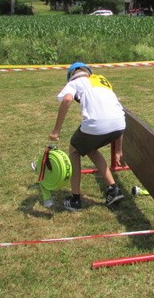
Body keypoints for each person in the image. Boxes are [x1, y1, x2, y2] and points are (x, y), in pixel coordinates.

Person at [48, 62, 126, 211]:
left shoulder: (75, 82)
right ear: (88, 72)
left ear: (71, 76)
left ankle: (75, 200)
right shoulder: (102, 80)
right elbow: (115, 111)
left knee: (74, 150)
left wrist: (56, 131)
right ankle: (113, 189)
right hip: (120, 125)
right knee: (90, 149)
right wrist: (118, 150)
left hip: (96, 125)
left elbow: (67, 99)